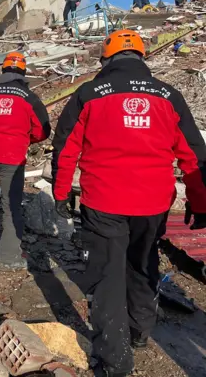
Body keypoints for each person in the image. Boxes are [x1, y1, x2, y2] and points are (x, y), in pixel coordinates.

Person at [51, 30, 206, 377]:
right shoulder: (169, 95)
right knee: (144, 262)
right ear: (142, 58)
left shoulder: (89, 93)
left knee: (107, 276)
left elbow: (65, 149)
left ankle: (115, 360)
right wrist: (200, 201)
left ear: (106, 61)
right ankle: (139, 332)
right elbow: (194, 154)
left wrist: (61, 194)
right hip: (153, 203)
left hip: (104, 200)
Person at [0, 52, 50, 271]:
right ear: (23, 72)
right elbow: (43, 130)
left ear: (3, 71)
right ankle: (8, 257)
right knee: (10, 204)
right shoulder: (28, 96)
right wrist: (27, 139)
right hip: (12, 157)